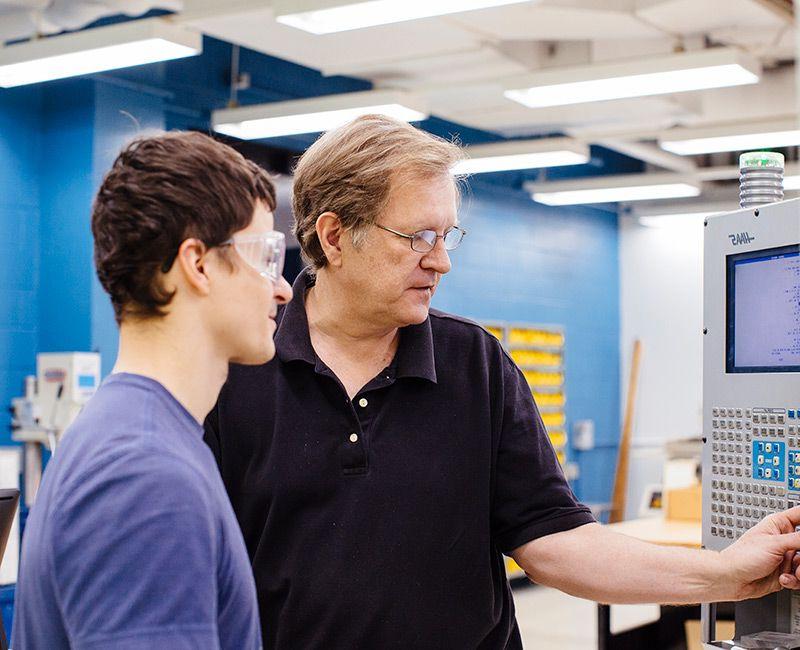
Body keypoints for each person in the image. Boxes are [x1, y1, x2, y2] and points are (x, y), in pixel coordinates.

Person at [205, 115, 800, 649]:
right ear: (334, 236)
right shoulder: (237, 369)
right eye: (418, 238)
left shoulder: (477, 365)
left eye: (447, 236)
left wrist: (725, 573)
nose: (441, 261)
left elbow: (557, 542)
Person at [12, 131, 292, 649]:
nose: (282, 286)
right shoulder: (146, 474)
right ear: (198, 263)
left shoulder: (144, 438)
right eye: (266, 256)